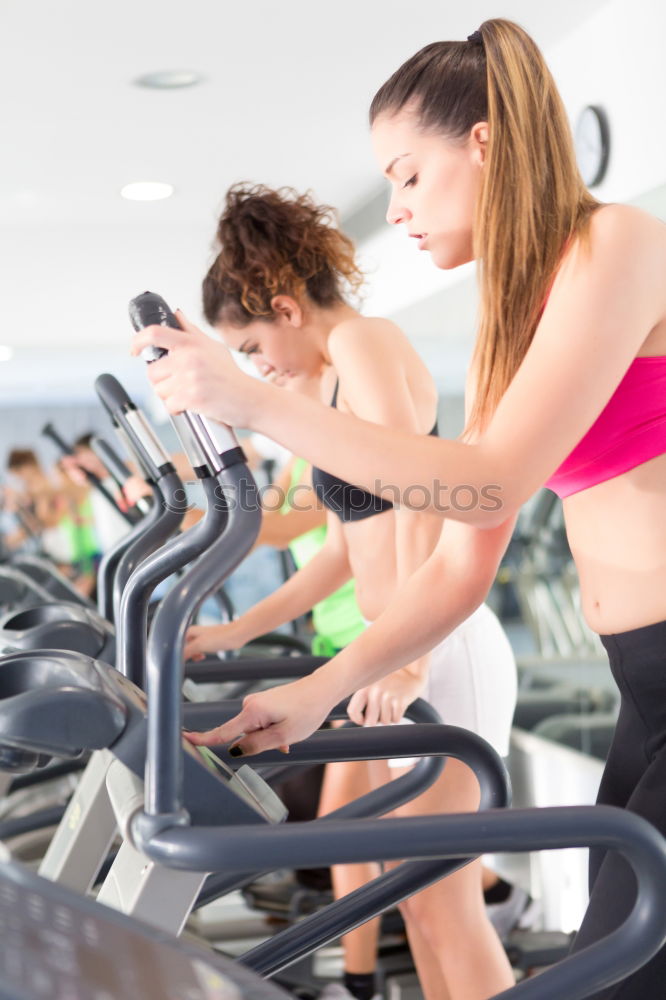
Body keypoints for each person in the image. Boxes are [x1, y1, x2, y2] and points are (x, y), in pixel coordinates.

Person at [132, 19, 666, 999]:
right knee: (608, 949)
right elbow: (464, 559)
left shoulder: (617, 241)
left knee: (616, 964)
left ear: (487, 143)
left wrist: (255, 403)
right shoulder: (507, 330)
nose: (400, 207)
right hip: (643, 687)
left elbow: (491, 479)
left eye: (408, 174)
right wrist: (315, 687)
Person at [179, 187, 516, 1000]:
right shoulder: (326, 388)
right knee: (422, 905)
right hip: (394, 652)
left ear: (287, 307)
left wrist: (409, 660)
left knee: (447, 903)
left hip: (436, 648)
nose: (260, 369)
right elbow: (334, 550)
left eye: (255, 348)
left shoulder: (364, 341)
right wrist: (234, 635)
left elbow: (419, 496)